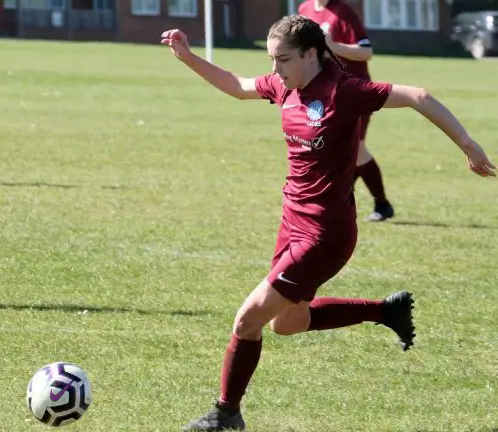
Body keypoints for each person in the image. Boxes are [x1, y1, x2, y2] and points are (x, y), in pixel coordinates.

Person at [160, 14, 495, 431]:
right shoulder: (284, 85)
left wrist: (468, 144)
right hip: (291, 225)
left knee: (247, 322)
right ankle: (385, 311)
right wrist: (187, 57)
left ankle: (226, 414)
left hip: (324, 235)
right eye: (271, 60)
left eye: (282, 59)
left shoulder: (345, 91)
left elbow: (418, 95)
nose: (275, 70)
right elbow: (237, 85)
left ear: (311, 54)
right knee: (288, 323)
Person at [298, 0, 393, 221]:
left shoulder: (344, 12)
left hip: (354, 90)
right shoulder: (305, 10)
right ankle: (341, 197)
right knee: (337, 148)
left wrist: (334, 47)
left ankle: (382, 204)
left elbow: (366, 51)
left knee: (356, 148)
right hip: (327, 91)